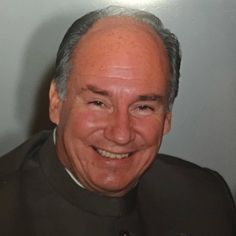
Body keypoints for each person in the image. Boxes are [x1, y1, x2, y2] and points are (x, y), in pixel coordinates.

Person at [0, 5, 235, 236]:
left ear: (167, 118)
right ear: (56, 103)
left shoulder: (206, 199)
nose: (121, 134)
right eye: (98, 103)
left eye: (143, 107)